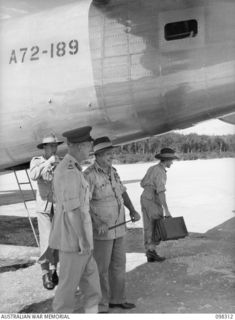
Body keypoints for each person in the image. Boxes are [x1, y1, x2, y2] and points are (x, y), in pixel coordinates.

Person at [84, 136, 141, 313]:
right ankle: (101, 305)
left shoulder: (113, 171)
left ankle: (117, 299)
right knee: (101, 269)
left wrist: (132, 209)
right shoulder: (89, 175)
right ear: (98, 155)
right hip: (103, 230)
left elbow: (122, 192)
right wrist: (97, 221)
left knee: (118, 265)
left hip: (119, 227)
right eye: (108, 154)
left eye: (112, 153)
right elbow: (83, 203)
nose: (112, 156)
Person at [49, 126, 101, 313]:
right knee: (67, 289)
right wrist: (82, 240)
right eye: (89, 147)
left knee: (92, 286)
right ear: (80, 146)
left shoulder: (75, 169)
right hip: (74, 240)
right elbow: (72, 210)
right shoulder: (68, 171)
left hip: (82, 238)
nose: (90, 151)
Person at [29, 133, 63, 290]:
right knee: (47, 241)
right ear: (44, 148)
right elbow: (34, 175)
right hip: (44, 207)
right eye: (51, 146)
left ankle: (55, 271)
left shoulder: (60, 160)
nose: (54, 148)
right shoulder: (37, 161)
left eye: (55, 145)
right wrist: (48, 163)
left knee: (57, 241)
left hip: (57, 207)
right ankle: (45, 273)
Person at [140, 147, 179, 262]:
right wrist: (166, 210)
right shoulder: (160, 172)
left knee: (148, 224)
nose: (172, 162)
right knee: (155, 225)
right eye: (171, 160)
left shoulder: (152, 168)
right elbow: (161, 192)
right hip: (152, 198)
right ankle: (151, 251)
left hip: (145, 197)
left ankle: (149, 252)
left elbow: (142, 183)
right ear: (166, 160)